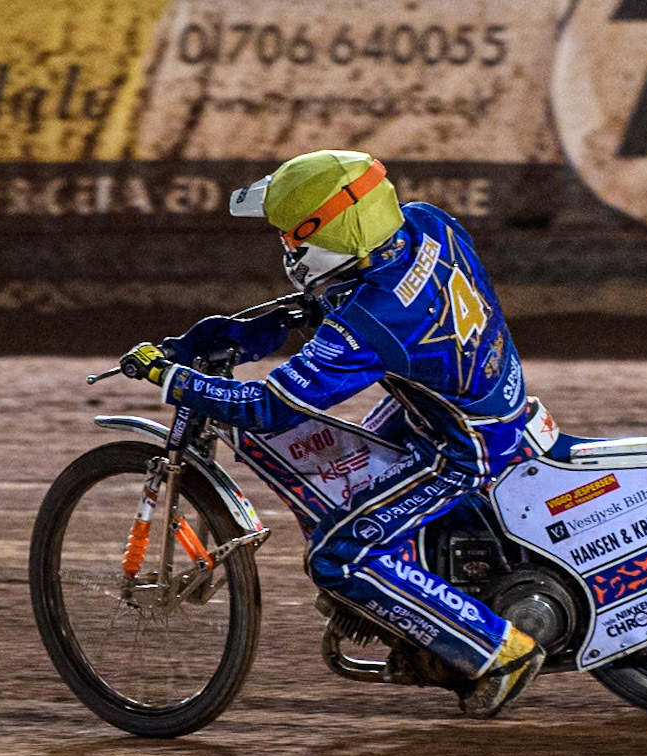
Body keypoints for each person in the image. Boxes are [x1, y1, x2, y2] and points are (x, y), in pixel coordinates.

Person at [118, 149, 543, 718]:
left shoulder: (374, 318)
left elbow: (270, 408)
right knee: (343, 480)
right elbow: (323, 309)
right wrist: (237, 334)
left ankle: (497, 651)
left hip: (463, 446)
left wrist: (172, 379)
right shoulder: (425, 222)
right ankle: (416, 596)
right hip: (477, 398)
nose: (288, 249)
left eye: (293, 236)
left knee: (339, 556)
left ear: (331, 230)